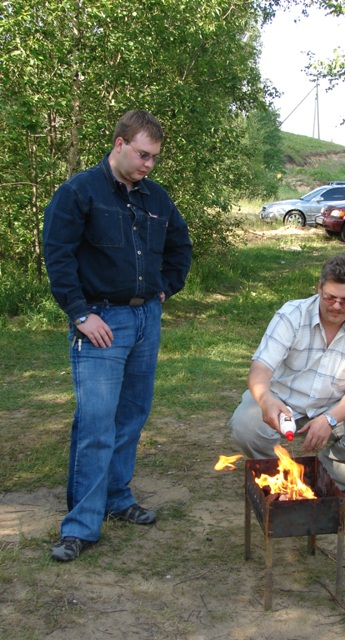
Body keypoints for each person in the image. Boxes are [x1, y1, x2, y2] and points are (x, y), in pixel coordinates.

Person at [43, 110, 192, 561]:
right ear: (119, 143)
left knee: (131, 416)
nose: (149, 164)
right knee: (96, 423)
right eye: (143, 155)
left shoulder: (156, 197)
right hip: (101, 323)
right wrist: (79, 314)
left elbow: (180, 246)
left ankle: (116, 497)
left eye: (155, 158)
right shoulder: (78, 192)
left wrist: (165, 288)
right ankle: (81, 527)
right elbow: (58, 255)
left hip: (145, 319)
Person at [229, 253, 345, 494]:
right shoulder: (292, 314)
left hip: (334, 407)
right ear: (319, 288)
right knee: (246, 423)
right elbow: (260, 369)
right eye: (330, 297)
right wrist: (266, 400)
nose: (336, 306)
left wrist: (330, 419)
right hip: (283, 401)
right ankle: (275, 478)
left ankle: (328, 479)